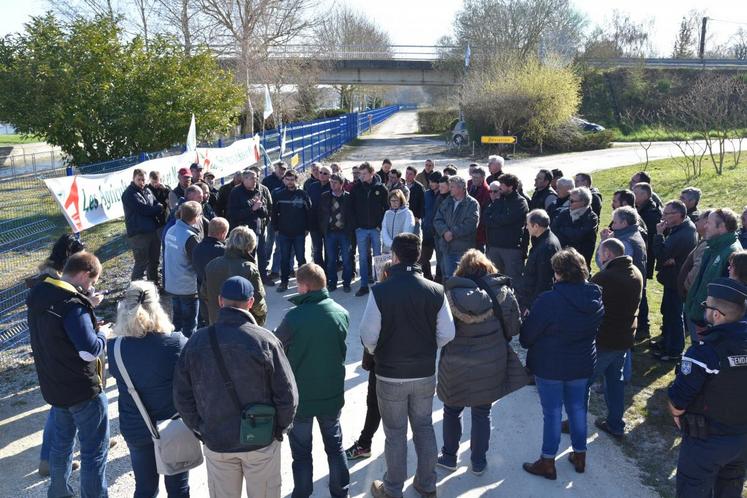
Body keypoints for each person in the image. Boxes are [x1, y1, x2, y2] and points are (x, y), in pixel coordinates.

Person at [173, 276, 298, 498]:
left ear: (220, 301)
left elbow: (182, 396)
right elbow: (287, 394)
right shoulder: (265, 340)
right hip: (260, 439)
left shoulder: (196, 341)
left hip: (217, 440)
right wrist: (278, 429)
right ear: (250, 302)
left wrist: (201, 427)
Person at [360, 233, 456, 498]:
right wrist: (426, 349)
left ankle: (392, 489)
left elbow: (368, 336)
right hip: (424, 373)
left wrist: (380, 352)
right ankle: (427, 485)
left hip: (390, 375)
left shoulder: (380, 290)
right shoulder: (436, 290)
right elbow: (447, 334)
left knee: (395, 432)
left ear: (395, 256)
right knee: (424, 426)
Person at [27, 251, 110, 498]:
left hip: (54, 385)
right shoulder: (73, 305)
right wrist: (103, 334)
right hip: (83, 390)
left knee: (61, 446)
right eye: (92, 282)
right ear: (84, 275)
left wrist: (87, 309)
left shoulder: (39, 294)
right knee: (94, 451)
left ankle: (59, 492)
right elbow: (88, 351)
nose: (92, 287)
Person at [436, 250, 527, 475]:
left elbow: (441, 332)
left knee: (451, 410)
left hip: (455, 362)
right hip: (490, 362)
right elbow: (514, 328)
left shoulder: (447, 295)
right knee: (481, 413)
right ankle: (478, 461)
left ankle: (449, 457)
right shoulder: (504, 292)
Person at [520, 248, 603, 480]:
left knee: (553, 413)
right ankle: (580, 454)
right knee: (578, 409)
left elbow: (527, 337)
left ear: (559, 273)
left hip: (550, 366)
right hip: (582, 363)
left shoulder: (549, 300)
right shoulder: (595, 296)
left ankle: (547, 461)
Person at [107, 281, 190, 497]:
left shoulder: (114, 348)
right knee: (178, 490)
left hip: (136, 426)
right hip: (172, 426)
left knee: (144, 489)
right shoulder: (176, 343)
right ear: (158, 307)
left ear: (124, 307)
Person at [274, 264, 350, 498]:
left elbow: (276, 348)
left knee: (301, 452)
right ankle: (340, 491)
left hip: (302, 398)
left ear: (305, 286)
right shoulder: (341, 312)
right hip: (331, 394)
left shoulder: (293, 318)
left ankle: (303, 492)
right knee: (335, 447)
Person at [667, 278, 747, 498]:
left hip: (705, 442)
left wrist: (676, 412)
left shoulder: (705, 352)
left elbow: (677, 401)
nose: (705, 309)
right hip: (740, 441)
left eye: (707, 306)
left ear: (716, 315)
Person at [27, 234, 86, 477]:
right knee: (61, 407)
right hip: (60, 353)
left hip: (53, 352)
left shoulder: (49, 281)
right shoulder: (54, 284)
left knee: (69, 405)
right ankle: (49, 458)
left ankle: (87, 439)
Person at [586, 238, 643, 439]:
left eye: (600, 253)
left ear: (608, 255)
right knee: (615, 382)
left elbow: (588, 306)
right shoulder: (636, 272)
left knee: (584, 381)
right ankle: (615, 423)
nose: (599, 258)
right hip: (625, 338)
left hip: (605, 339)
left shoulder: (605, 278)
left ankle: (575, 421)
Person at [345, 261, 393, 462]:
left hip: (382, 364)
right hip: (411, 366)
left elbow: (368, 334)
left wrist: (371, 355)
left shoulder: (380, 297)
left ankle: (365, 444)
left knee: (374, 405)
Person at [684, 209, 744, 341]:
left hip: (708, 322)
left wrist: (709, 321)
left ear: (721, 227)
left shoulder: (731, 252)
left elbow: (727, 295)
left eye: (709, 223)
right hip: (699, 316)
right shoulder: (712, 247)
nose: (705, 227)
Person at [653, 200, 698, 361]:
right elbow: (666, 257)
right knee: (669, 312)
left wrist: (659, 234)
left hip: (676, 281)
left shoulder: (683, 233)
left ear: (678, 215)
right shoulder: (680, 228)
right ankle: (667, 343)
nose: (663, 216)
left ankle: (674, 351)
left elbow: (660, 254)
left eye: (667, 214)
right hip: (673, 278)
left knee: (674, 315)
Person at [205, 226, 267, 326]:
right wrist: (261, 318)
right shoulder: (249, 268)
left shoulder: (212, 264)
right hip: (243, 325)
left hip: (216, 322)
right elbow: (257, 301)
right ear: (250, 245)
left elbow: (204, 294)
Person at [228, 168, 274, 285]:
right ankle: (248, 279)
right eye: (253, 178)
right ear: (244, 179)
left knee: (262, 255)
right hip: (244, 232)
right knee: (248, 256)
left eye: (256, 178)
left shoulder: (260, 190)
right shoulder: (236, 192)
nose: (256, 181)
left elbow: (266, 211)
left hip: (259, 229)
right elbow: (233, 214)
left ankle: (263, 277)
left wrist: (260, 208)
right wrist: (252, 209)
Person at [164, 201, 203, 338]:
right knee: (190, 325)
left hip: (172, 284)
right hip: (188, 289)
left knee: (177, 321)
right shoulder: (190, 237)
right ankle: (187, 352)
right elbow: (197, 263)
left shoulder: (171, 230)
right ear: (196, 217)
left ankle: (175, 346)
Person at [351, 162, 389, 296]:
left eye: (364, 173)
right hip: (361, 229)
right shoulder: (356, 188)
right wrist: (356, 226)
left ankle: (380, 284)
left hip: (376, 229)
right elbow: (352, 209)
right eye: (360, 174)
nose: (361, 176)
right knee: (362, 257)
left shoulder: (381, 188)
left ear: (372, 173)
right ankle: (364, 285)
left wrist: (380, 225)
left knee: (378, 257)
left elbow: (386, 209)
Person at [483, 174, 528, 285]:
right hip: (493, 247)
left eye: (502, 185)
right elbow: (485, 217)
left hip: (511, 249)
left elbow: (508, 220)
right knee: (494, 281)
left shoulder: (520, 202)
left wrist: (495, 220)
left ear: (511, 187)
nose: (499, 188)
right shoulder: (499, 200)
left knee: (513, 281)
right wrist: (498, 219)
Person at [433, 176, 480, 280]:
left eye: (452, 187)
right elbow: (437, 219)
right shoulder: (447, 201)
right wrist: (444, 232)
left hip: (462, 250)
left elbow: (471, 224)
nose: (450, 189)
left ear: (461, 188)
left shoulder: (472, 203)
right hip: (446, 248)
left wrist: (452, 233)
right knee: (447, 279)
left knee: (461, 280)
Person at [273, 170, 313, 292]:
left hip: (299, 232)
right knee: (284, 259)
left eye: (292, 179)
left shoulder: (303, 194)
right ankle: (284, 282)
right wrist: (275, 228)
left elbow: (309, 212)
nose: (290, 182)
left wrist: (307, 228)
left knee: (301, 259)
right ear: (284, 180)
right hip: (284, 232)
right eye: (287, 179)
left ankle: (304, 283)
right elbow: (274, 213)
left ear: (296, 180)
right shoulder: (279, 194)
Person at [122, 168, 164, 283]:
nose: (141, 182)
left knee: (154, 261)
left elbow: (156, 202)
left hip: (152, 230)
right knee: (141, 263)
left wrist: (157, 207)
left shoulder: (147, 190)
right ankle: (135, 292)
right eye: (139, 179)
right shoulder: (129, 194)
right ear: (133, 179)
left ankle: (154, 285)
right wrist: (158, 208)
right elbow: (145, 210)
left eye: (143, 180)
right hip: (138, 234)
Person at [517, 209, 562, 314]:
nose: (526, 227)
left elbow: (544, 281)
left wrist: (532, 305)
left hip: (536, 303)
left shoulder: (546, 247)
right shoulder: (543, 240)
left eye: (528, 224)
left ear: (536, 226)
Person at [633, 182, 662, 340]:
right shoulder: (641, 209)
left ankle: (644, 326)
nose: (633, 195)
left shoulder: (651, 213)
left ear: (645, 195)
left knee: (641, 292)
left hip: (644, 258)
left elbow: (649, 239)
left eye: (636, 193)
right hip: (643, 257)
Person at [319, 173, 354, 292]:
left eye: (335, 182)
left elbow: (352, 216)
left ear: (341, 184)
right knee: (331, 260)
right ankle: (332, 282)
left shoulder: (348, 197)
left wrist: (350, 229)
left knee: (346, 259)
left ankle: (346, 282)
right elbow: (321, 214)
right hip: (330, 232)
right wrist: (323, 228)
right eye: (331, 182)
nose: (332, 184)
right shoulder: (325, 196)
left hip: (344, 233)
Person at [550, 187, 599, 268]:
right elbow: (553, 231)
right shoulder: (564, 213)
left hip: (580, 260)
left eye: (572, 201)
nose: (569, 203)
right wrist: (569, 232)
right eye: (569, 200)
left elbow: (578, 236)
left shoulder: (591, 217)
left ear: (583, 202)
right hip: (562, 258)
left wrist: (562, 230)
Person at [193, 217, 229, 326]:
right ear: (223, 234)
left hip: (202, 292)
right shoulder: (223, 251)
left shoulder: (197, 248)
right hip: (219, 295)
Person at [418, 172, 443, 281]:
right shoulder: (426, 194)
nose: (431, 184)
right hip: (427, 231)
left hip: (439, 232)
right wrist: (424, 221)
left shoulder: (444, 195)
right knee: (423, 258)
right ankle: (427, 277)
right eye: (430, 182)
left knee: (440, 259)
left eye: (433, 182)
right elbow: (422, 209)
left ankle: (438, 279)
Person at [307, 165, 332, 268]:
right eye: (320, 172)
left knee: (329, 250)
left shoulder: (332, 186)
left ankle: (328, 272)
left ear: (330, 176)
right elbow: (308, 204)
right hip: (314, 223)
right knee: (317, 250)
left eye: (325, 173)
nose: (321, 175)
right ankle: (319, 271)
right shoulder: (312, 186)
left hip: (328, 224)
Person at [146, 170, 171, 235]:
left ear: (160, 179)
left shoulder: (165, 187)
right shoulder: (147, 190)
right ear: (149, 180)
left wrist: (165, 189)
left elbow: (173, 197)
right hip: (155, 218)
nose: (155, 184)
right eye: (153, 182)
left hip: (166, 216)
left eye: (157, 182)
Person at [404, 166, 425, 231]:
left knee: (414, 238)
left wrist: (418, 217)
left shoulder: (419, 187)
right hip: (403, 217)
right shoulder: (401, 185)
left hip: (415, 218)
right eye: (407, 173)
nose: (407, 175)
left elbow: (422, 203)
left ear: (415, 176)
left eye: (410, 174)